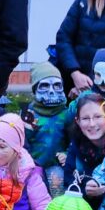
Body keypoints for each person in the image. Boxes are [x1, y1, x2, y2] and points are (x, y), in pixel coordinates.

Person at [23, 62, 70, 196]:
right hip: (33, 166)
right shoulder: (29, 114)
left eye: (57, 86)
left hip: (57, 166)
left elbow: (74, 139)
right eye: (44, 86)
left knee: (57, 192)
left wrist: (67, 154)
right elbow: (23, 141)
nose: (51, 91)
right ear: (35, 89)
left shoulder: (66, 114)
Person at [60, 93, 105, 192]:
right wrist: (86, 191)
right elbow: (69, 185)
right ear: (77, 121)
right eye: (85, 118)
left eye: (98, 117)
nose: (92, 124)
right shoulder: (75, 148)